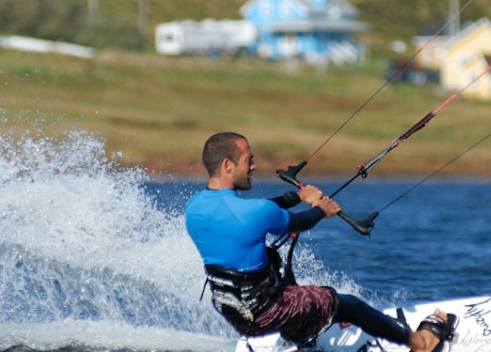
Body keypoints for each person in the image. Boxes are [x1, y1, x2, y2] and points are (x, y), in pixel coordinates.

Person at [185, 132, 455, 352]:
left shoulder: (195, 207)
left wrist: (298, 196)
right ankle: (421, 343)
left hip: (231, 309)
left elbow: (258, 211)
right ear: (227, 165)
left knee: (272, 260)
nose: (253, 166)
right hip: (265, 314)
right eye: (249, 160)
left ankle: (301, 336)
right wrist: (322, 210)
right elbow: (298, 222)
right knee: (346, 304)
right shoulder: (254, 213)